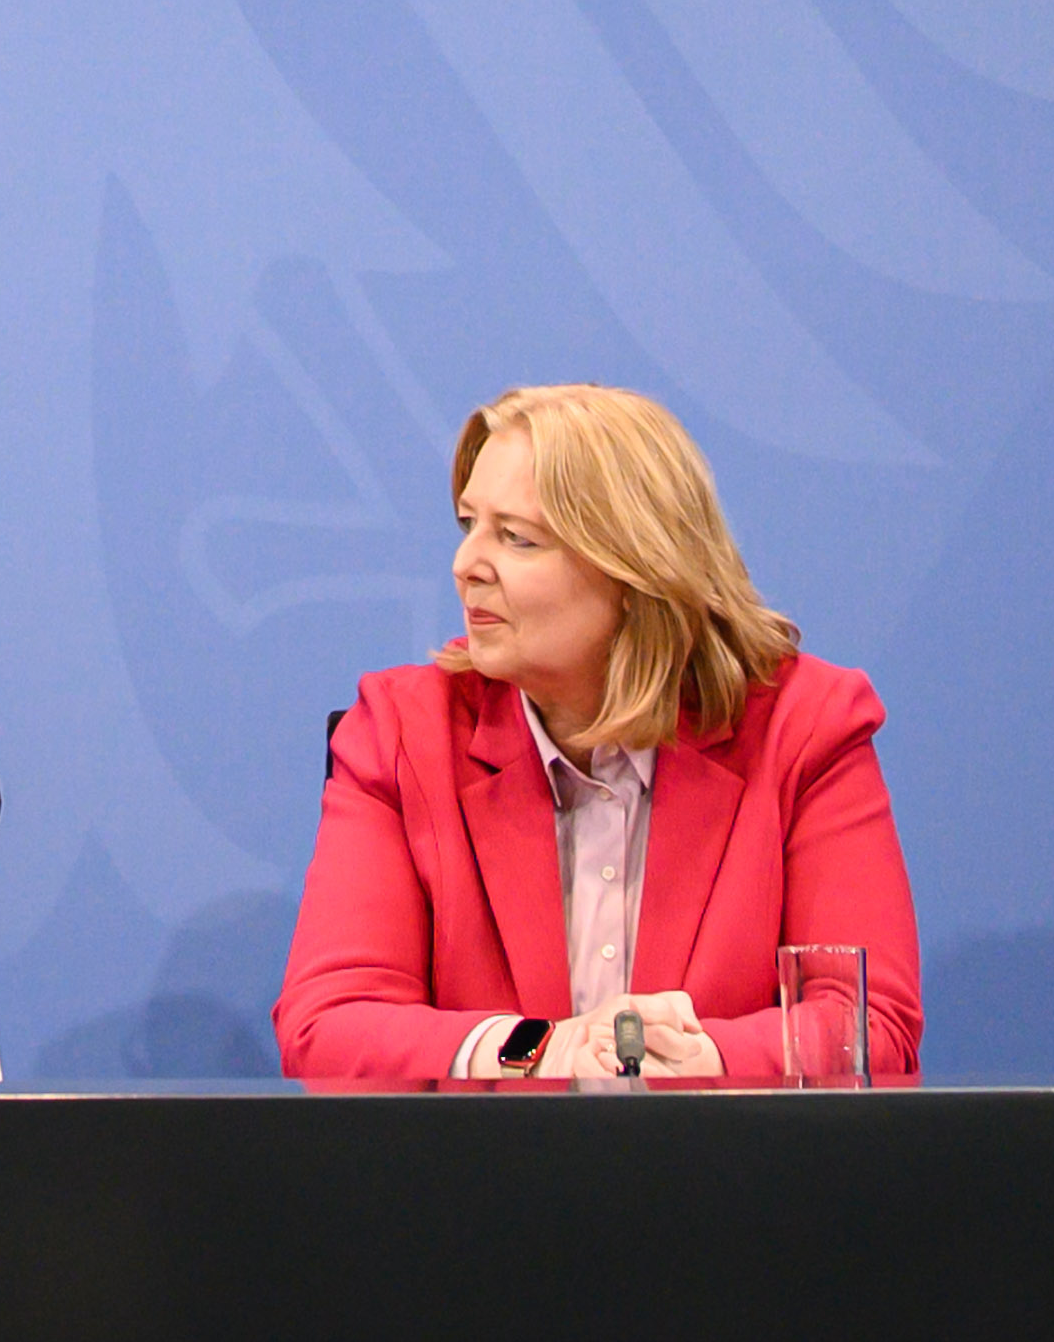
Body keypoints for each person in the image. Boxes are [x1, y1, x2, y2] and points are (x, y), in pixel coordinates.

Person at [276, 383, 922, 1082]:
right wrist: (545, 1047)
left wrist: (690, 1059)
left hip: (729, 1180)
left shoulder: (804, 728)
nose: (466, 566)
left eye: (517, 537)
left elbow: (868, 1027)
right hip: (480, 1184)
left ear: (638, 567)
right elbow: (331, 1021)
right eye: (469, 525)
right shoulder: (402, 733)